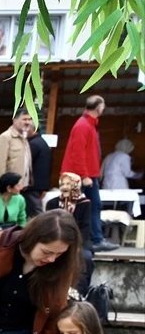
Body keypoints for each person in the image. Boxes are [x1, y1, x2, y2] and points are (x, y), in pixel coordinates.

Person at [61, 96, 115, 251]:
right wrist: (84, 176)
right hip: (78, 175)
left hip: (86, 174)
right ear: (98, 107)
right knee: (70, 209)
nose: (103, 109)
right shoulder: (83, 126)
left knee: (91, 206)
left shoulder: (86, 124)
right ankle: (67, 241)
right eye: (103, 106)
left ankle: (95, 240)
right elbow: (77, 153)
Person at [46, 172, 95, 294]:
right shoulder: (52, 203)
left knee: (86, 258)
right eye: (62, 184)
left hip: (79, 241)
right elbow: (48, 225)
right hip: (57, 239)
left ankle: (80, 293)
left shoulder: (85, 203)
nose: (64, 187)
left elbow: (86, 227)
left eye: (68, 183)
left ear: (76, 184)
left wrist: (76, 245)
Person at [0, 108, 33, 191]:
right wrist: (4, 187)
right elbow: (0, 165)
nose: (27, 122)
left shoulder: (24, 138)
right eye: (24, 119)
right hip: (9, 188)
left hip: (23, 187)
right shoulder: (5, 137)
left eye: (29, 119)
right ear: (14, 120)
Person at [25, 120, 52, 218]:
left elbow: (26, 164)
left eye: (27, 127)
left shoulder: (33, 144)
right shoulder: (41, 142)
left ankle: (42, 231)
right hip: (40, 184)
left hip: (32, 185)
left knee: (35, 213)